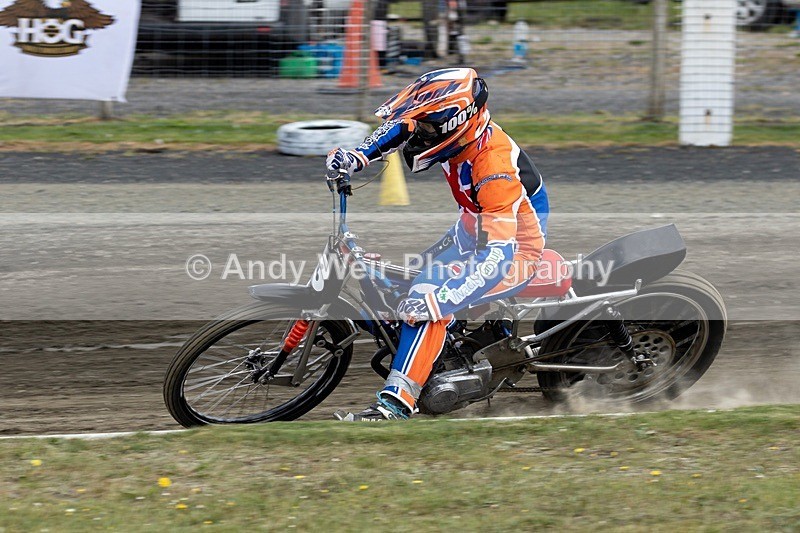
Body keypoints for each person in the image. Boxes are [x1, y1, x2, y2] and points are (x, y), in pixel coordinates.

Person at [327, 68, 549, 421]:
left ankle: (395, 405)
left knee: (426, 299)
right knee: (402, 282)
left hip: (513, 250)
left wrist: (441, 299)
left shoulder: (493, 168)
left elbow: (498, 255)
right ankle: (445, 349)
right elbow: (404, 125)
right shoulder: (461, 134)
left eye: (428, 128)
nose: (420, 133)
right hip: (472, 229)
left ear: (453, 123)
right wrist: (358, 157)